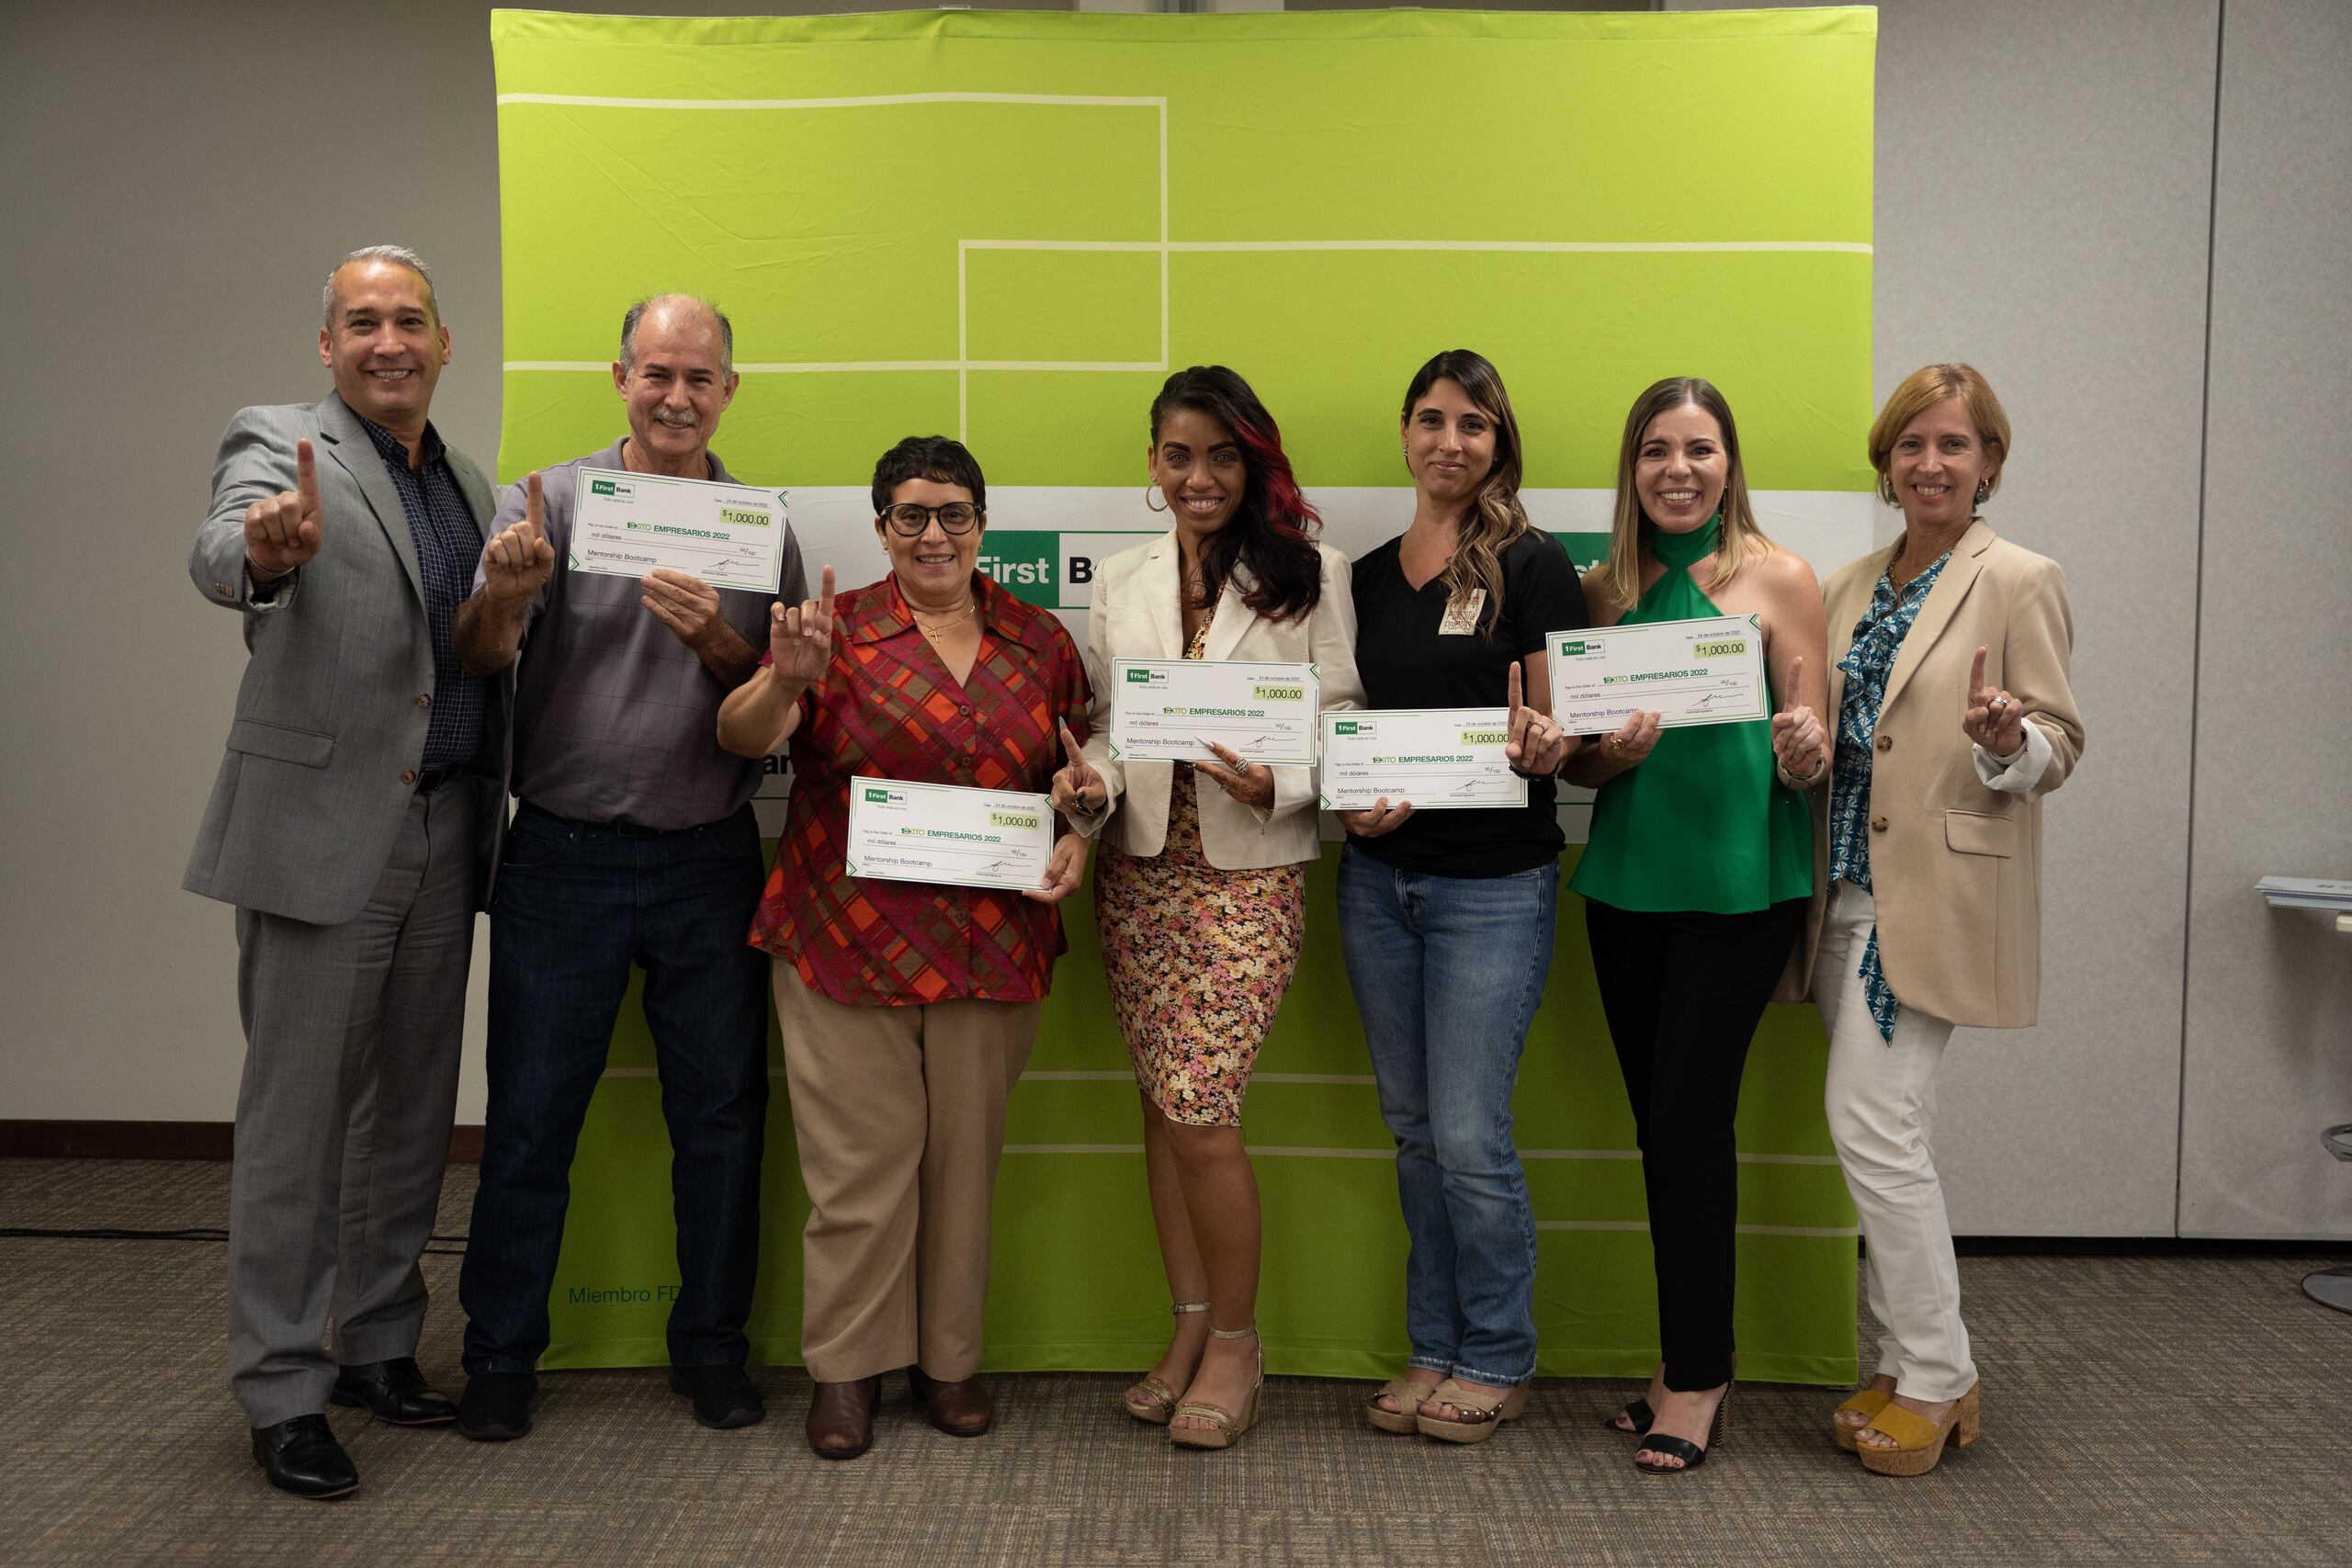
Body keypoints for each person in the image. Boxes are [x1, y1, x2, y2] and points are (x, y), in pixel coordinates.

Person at [184, 246, 508, 1498]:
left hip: (443, 825)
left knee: (411, 1110)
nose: (389, 340)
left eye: (409, 319)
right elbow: (226, 550)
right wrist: (263, 549)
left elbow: (464, 652)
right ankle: (279, 1384)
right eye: (362, 321)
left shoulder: (467, 479)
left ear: (442, 340)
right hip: (325, 831)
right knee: (296, 1121)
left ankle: (377, 1341)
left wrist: (510, 609)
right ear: (328, 345)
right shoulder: (278, 440)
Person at [449, 294, 797, 1442]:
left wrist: (714, 640)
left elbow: (769, 693)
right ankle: (498, 1360)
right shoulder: (545, 502)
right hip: (560, 858)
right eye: (657, 374)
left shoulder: (759, 527)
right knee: (533, 1122)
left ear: (729, 392)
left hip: (708, 860)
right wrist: (504, 595)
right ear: (620, 378)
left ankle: (711, 1352)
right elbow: (482, 657)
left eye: (699, 379)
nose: (677, 398)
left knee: (723, 1122)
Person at [717, 434, 1090, 1460]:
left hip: (992, 940)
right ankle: (844, 1371)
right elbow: (742, 736)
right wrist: (784, 683)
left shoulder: (1039, 640)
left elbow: (1079, 773)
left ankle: (947, 1361)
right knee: (857, 1174)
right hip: (846, 940)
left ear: (982, 524)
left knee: (965, 1167)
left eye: (953, 514)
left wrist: (1081, 823)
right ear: (882, 527)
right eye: (911, 515)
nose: (934, 533)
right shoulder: (829, 632)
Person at [1049, 366, 1364, 1450]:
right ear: (1151, 464)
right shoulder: (1123, 578)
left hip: (1247, 877)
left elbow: (1346, 716)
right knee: (1160, 1105)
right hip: (1139, 873)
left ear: (1253, 463)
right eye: (1178, 455)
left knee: (1198, 1105)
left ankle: (1238, 1340)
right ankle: (1187, 1326)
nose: (1199, 476)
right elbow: (1101, 721)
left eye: (1222, 456)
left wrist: (1282, 783)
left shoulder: (1310, 571)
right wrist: (1085, 783)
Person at [1815, 364, 2083, 1476]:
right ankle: (1907, 1354)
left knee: (1870, 1125)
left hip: (1929, 899)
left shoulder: (2020, 579)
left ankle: (1938, 1375)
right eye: (1911, 444)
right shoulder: (1849, 582)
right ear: (1886, 461)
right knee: (1891, 1134)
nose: (1930, 463)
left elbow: (2060, 745)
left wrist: (2005, 737)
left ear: (1990, 463)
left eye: (1954, 445)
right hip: (1835, 895)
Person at [1565, 376, 1829, 1474]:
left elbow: (1812, 734)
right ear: (1631, 469)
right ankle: (1678, 1362)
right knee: (1657, 1129)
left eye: (1700, 449)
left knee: (1686, 1124)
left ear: (1729, 464)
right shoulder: (1597, 589)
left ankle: (1700, 1374)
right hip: (1625, 886)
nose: (1679, 469)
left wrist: (1808, 745)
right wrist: (1600, 754)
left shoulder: (1780, 577)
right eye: (1656, 450)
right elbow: (1577, 756)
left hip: (1738, 888)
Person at [1340, 349, 1581, 1446]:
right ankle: (1432, 1344)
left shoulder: (1533, 566)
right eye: (1431, 419)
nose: (1450, 441)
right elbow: (1351, 725)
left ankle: (1496, 1353)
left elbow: (1562, 735)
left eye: (1473, 424)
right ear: (1403, 434)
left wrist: (1548, 741)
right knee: (1411, 1133)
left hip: (1494, 888)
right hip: (1379, 884)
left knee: (1472, 1134)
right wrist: (1354, 805)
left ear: (1499, 441)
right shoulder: (1367, 576)